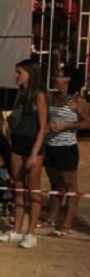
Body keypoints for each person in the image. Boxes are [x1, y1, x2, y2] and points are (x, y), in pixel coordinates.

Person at [0, 59, 49, 249]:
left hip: (32, 146)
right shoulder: (20, 94)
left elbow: (43, 127)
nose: (16, 76)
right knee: (18, 187)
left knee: (33, 190)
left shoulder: (39, 96)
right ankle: (17, 229)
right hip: (17, 144)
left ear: (30, 74)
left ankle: (31, 232)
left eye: (20, 72)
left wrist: (35, 154)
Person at [43, 65, 90, 237]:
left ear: (68, 79)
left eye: (59, 74)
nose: (55, 76)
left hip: (66, 148)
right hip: (50, 146)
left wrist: (68, 125)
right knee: (56, 186)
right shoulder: (52, 97)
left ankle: (68, 222)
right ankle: (53, 217)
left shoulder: (78, 101)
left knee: (71, 187)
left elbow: (88, 122)